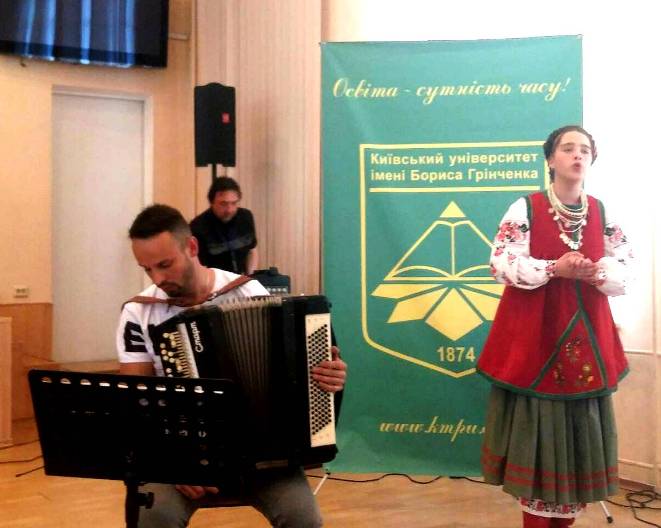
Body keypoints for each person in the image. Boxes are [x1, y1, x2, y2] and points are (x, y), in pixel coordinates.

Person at [116, 204, 347, 527]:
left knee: (303, 518)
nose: (158, 278)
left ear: (192, 247)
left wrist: (328, 377)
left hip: (264, 455)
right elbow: (135, 404)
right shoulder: (138, 313)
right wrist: (173, 462)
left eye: (165, 265)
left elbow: (292, 377)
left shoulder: (248, 291)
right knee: (156, 517)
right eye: (147, 269)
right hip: (182, 455)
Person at [476, 125, 633, 528]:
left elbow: (625, 263)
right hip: (537, 340)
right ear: (550, 159)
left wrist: (599, 271)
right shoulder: (525, 208)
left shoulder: (600, 211)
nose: (577, 155)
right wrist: (553, 268)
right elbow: (501, 263)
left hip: (586, 340)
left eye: (585, 150)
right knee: (540, 439)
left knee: (579, 446)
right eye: (568, 148)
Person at [190, 176, 258, 275]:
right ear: (212, 202)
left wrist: (250, 277)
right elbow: (197, 267)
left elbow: (251, 251)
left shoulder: (246, 217)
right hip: (214, 281)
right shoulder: (198, 227)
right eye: (223, 204)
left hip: (241, 278)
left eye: (234, 203)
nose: (229, 210)